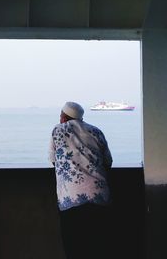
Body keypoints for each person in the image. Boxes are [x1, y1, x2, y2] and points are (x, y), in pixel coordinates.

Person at [49, 102, 113, 259]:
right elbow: (108, 161)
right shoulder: (96, 131)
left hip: (71, 198)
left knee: (74, 246)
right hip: (99, 195)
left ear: (63, 117)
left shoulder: (58, 130)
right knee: (98, 245)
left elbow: (52, 160)